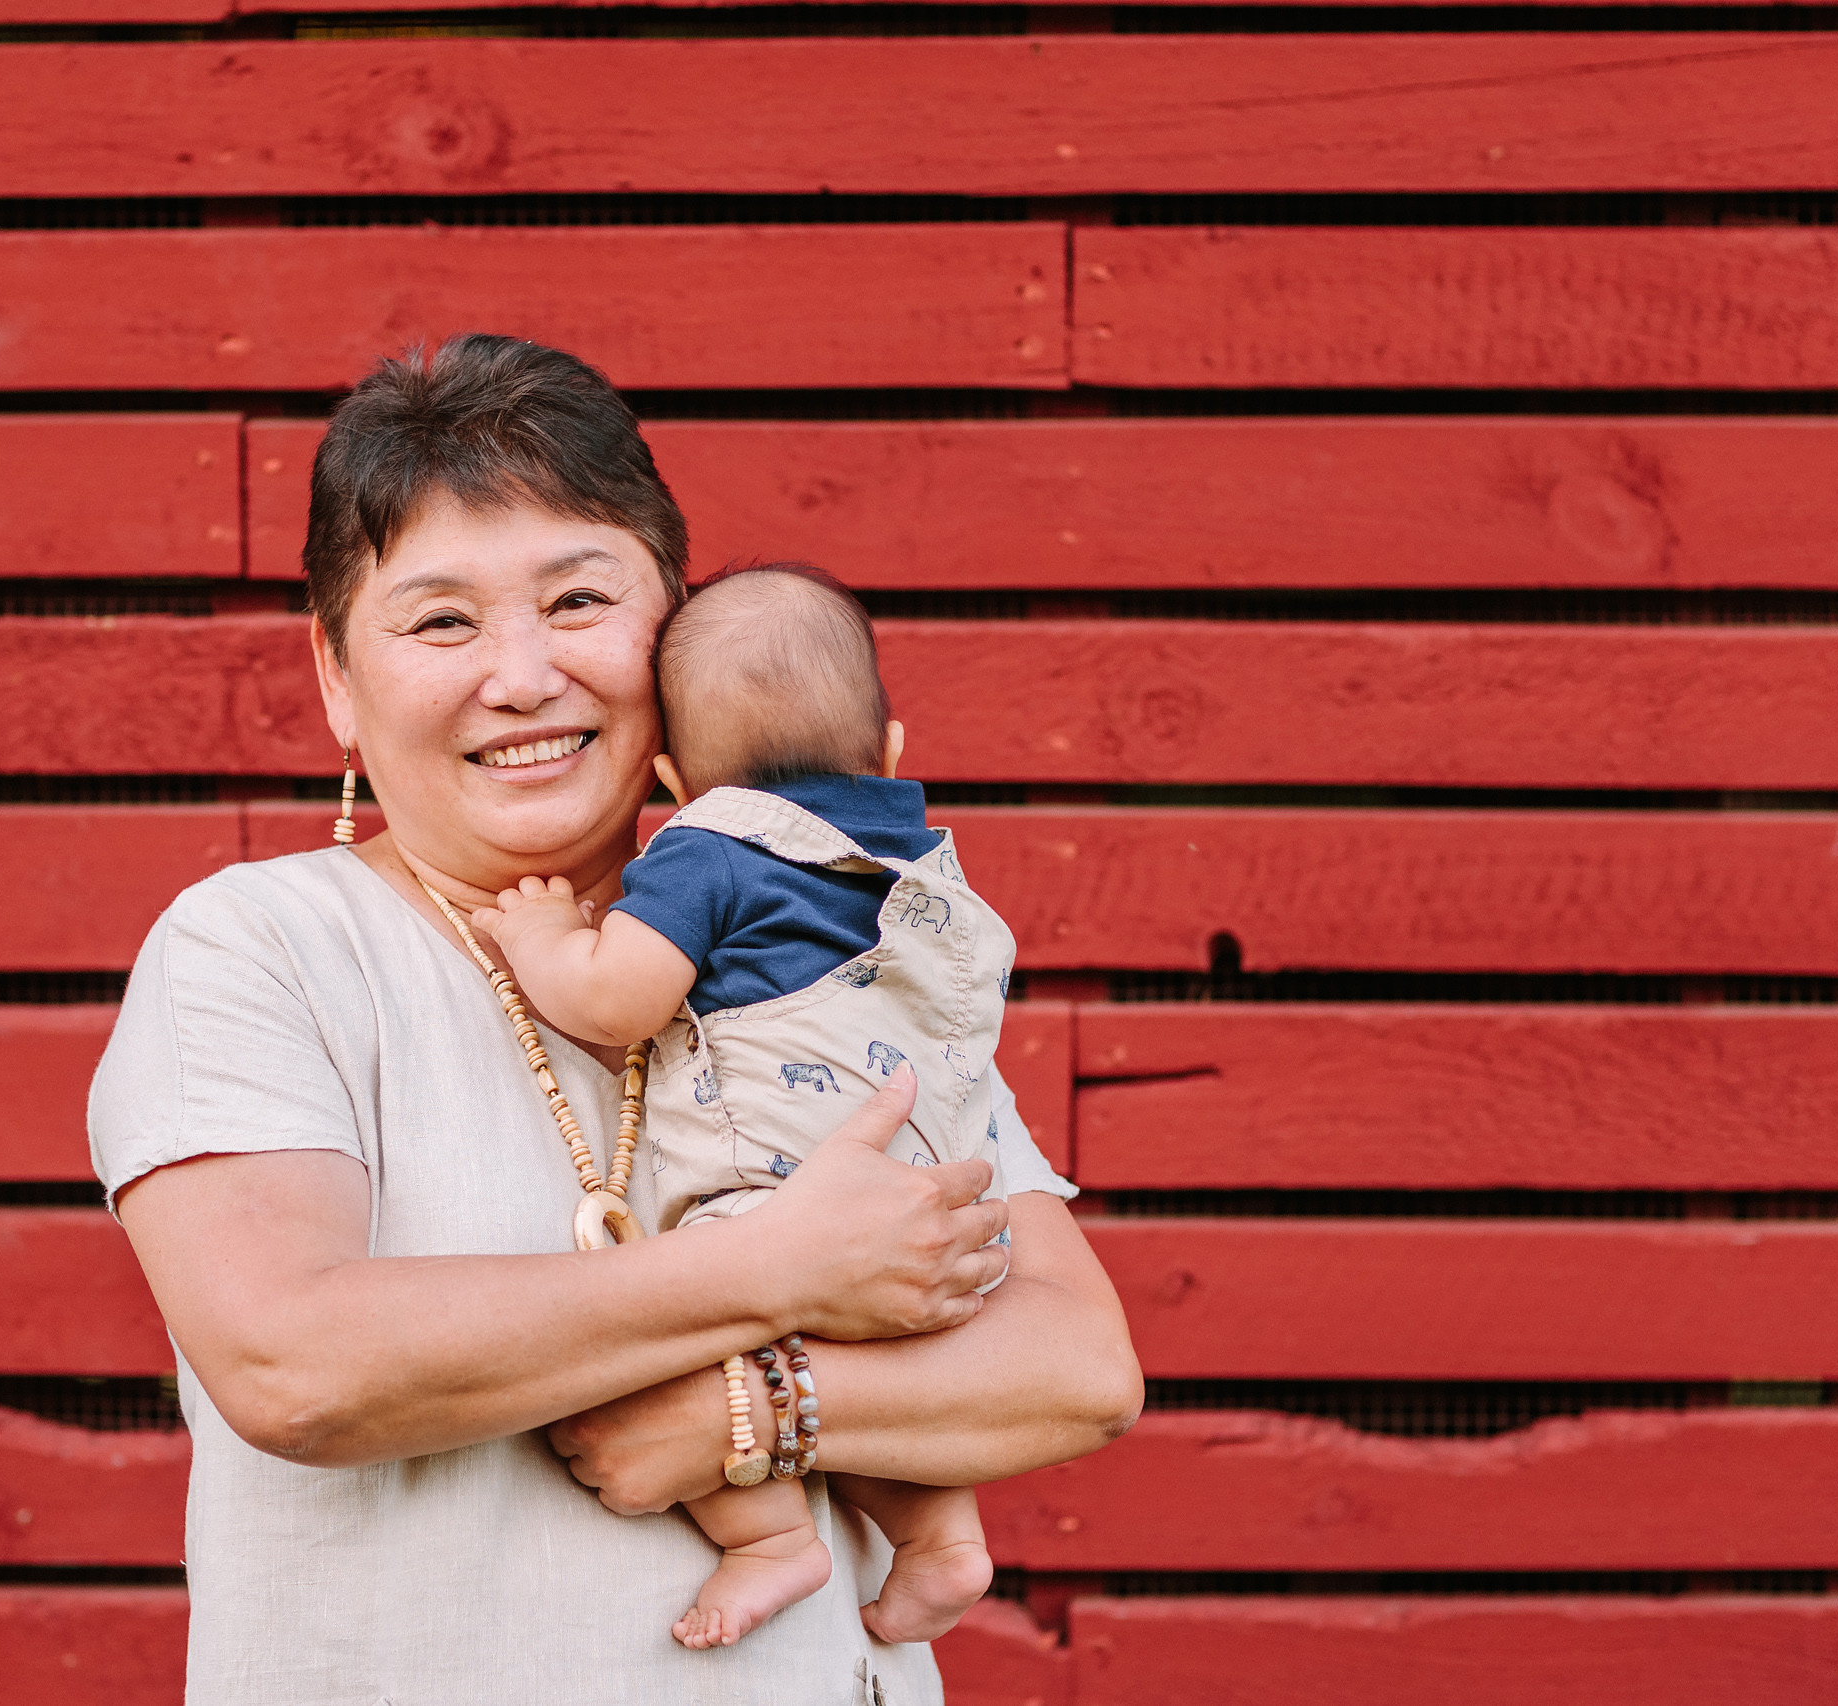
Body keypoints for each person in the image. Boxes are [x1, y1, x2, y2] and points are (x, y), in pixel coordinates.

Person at [90, 332, 1141, 1706]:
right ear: (339, 678)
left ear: (678, 634)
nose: (522, 675)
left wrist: (744, 1411)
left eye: (579, 600)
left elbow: (1076, 1365)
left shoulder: (835, 940)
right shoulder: (263, 949)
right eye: (442, 620)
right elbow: (293, 1361)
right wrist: (773, 1272)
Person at [473, 564, 1011, 1653]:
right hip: (930, 1213)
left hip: (773, 1195)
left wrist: (540, 939)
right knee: (893, 1376)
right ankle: (941, 1525)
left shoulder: (709, 849)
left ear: (674, 778)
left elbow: (619, 999)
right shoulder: (926, 866)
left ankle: (770, 1539)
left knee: (663, 1331)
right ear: (892, 751)